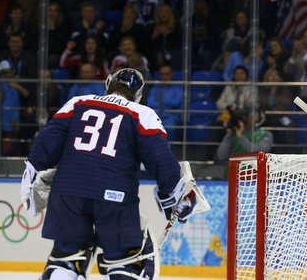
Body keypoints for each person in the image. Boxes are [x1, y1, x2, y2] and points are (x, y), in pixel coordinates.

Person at [21, 68, 196, 280]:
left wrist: (32, 174)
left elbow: (47, 141)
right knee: (125, 263)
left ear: (108, 84)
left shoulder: (78, 102)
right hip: (115, 197)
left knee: (66, 259)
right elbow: (161, 160)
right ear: (138, 94)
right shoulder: (142, 114)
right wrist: (173, 198)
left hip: (67, 191)